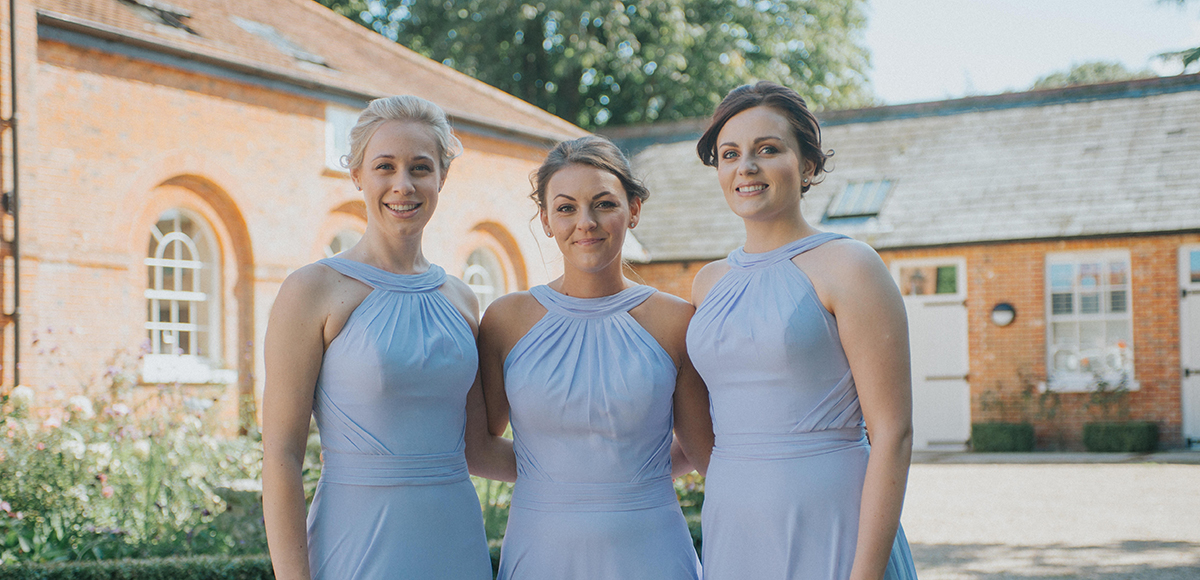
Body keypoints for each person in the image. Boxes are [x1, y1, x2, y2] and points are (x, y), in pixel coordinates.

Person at [261, 95, 511, 580]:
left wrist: (609, 472)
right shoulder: (312, 290)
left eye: (420, 167)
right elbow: (282, 456)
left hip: (456, 541)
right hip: (356, 543)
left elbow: (478, 448)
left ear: (442, 177)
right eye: (385, 167)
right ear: (357, 175)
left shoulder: (462, 299)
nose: (403, 185)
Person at [686, 81, 919, 580]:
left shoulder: (850, 266)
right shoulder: (707, 283)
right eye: (730, 154)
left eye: (767, 150)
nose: (745, 167)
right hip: (735, 528)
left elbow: (893, 434)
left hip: (832, 524)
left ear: (808, 166)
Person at [478, 135, 713, 579]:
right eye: (565, 208)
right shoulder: (505, 320)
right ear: (546, 220)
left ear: (634, 209)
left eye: (604, 204)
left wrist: (631, 476)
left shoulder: (676, 321)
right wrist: (555, 478)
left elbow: (705, 451)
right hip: (541, 548)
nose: (585, 222)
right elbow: (477, 446)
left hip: (652, 549)